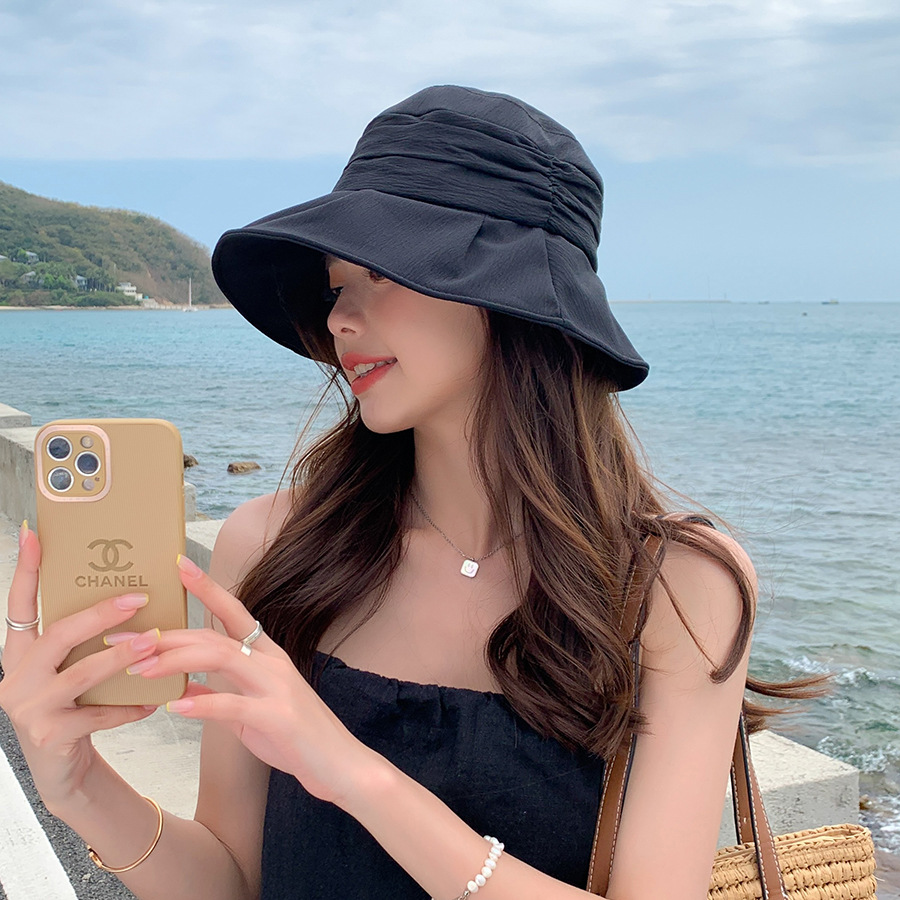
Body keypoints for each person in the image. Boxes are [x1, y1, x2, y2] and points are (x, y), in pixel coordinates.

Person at [0, 85, 827, 900]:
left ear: (512, 296)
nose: (339, 320)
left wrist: (356, 775)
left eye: (380, 274)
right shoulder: (275, 548)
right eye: (336, 286)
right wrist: (78, 788)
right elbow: (232, 882)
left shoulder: (677, 587)